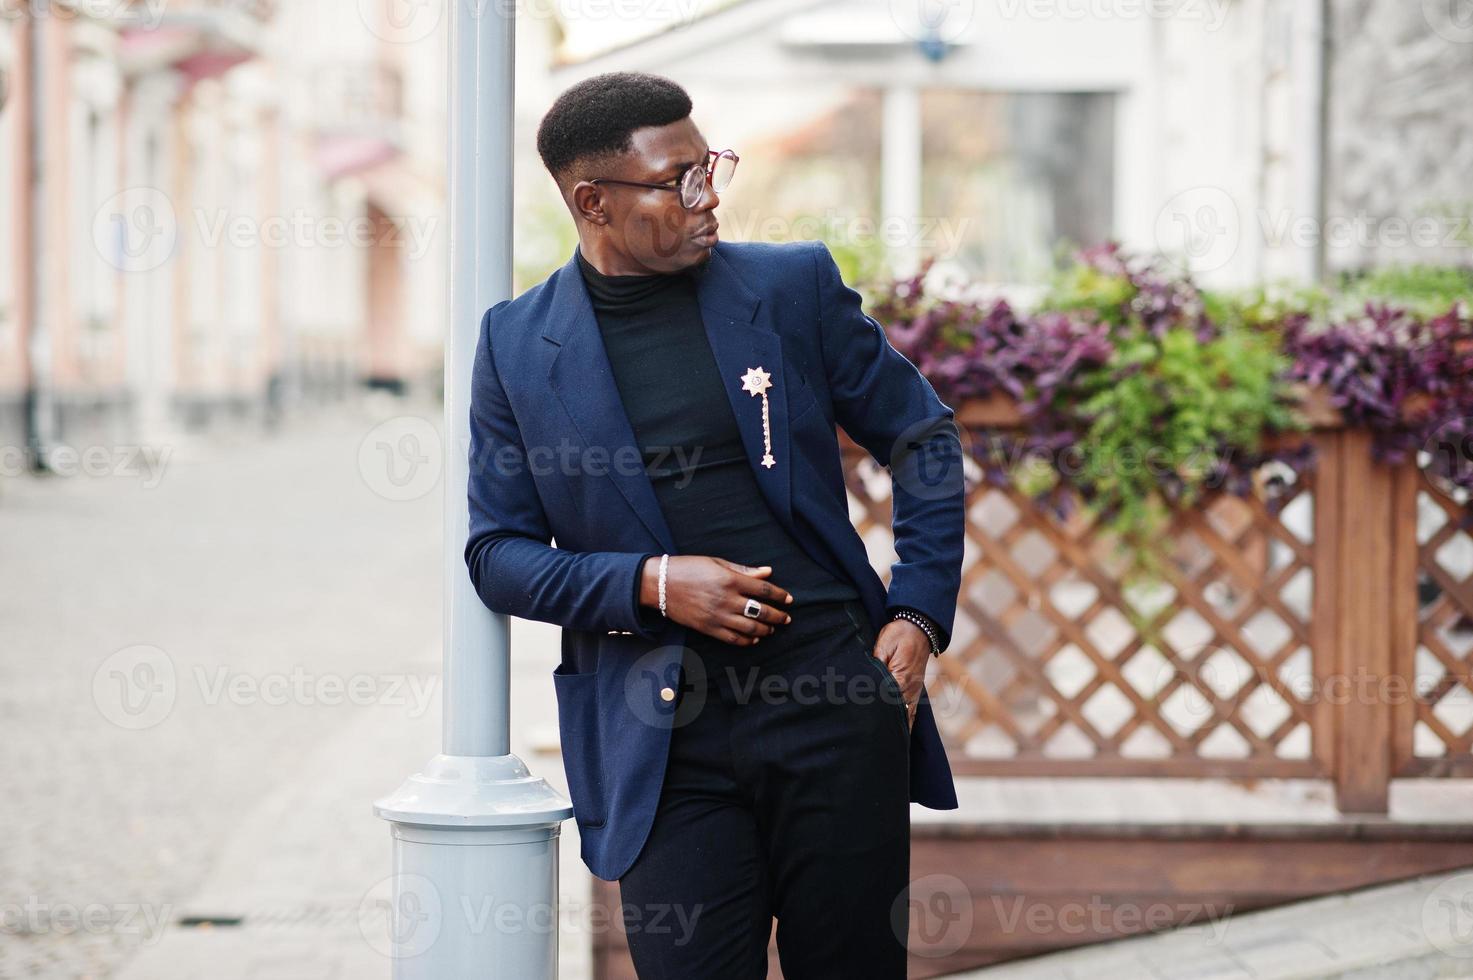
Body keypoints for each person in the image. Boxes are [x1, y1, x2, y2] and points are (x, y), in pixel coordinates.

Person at [465, 70, 966, 978]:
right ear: (592, 202)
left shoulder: (790, 287)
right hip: (661, 738)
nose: (708, 199)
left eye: (711, 167)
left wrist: (918, 613)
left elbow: (921, 433)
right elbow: (496, 555)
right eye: (677, 180)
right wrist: (652, 583)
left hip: (834, 704)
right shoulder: (515, 345)